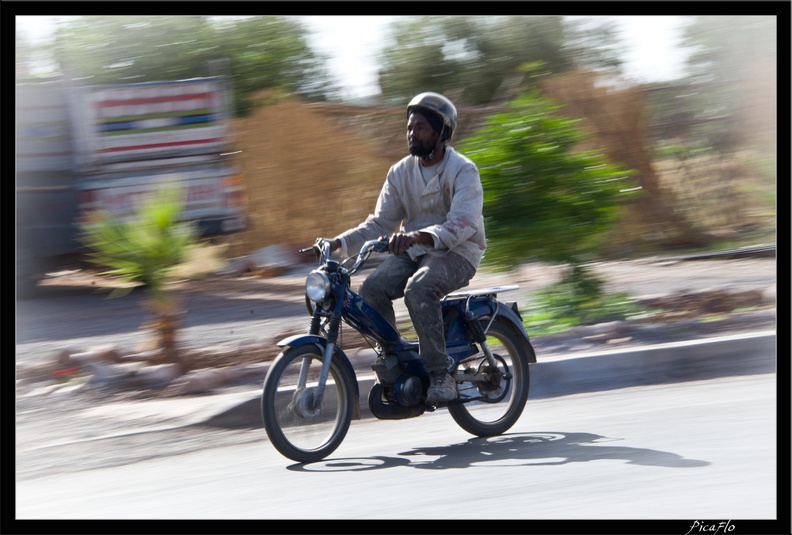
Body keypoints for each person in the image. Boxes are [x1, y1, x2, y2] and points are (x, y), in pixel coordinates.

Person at [325, 92, 486, 404]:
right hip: (414, 251)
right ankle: (396, 360)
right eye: (410, 127)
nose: (413, 133)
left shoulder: (463, 170)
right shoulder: (399, 172)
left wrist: (416, 236)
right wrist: (339, 242)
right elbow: (380, 223)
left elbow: (463, 225)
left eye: (422, 128)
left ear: (442, 133)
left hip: (459, 252)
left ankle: (440, 375)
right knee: (371, 290)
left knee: (419, 289)